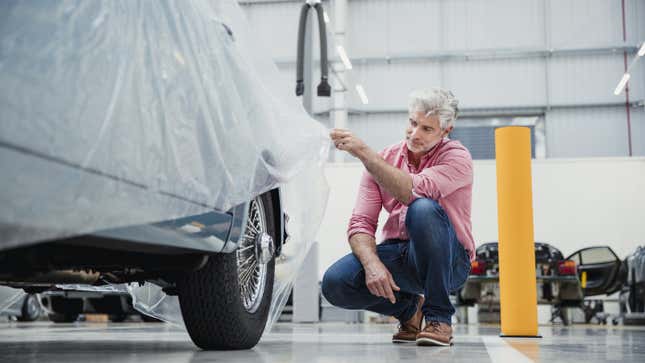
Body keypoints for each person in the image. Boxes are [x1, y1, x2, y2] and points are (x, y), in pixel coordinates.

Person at [321, 88, 475, 346]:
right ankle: (409, 310)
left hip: (450, 261)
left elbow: (414, 191)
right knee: (335, 283)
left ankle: (439, 318)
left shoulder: (457, 157)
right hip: (399, 252)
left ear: (445, 131)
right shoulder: (385, 159)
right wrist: (372, 265)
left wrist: (365, 154)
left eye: (427, 129)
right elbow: (361, 223)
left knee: (423, 209)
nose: (415, 134)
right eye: (413, 123)